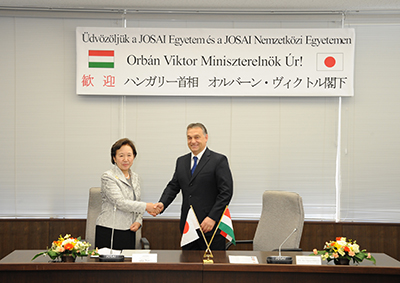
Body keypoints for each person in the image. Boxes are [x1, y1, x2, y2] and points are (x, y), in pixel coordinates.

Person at [155, 123, 233, 250]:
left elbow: (226, 192)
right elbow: (173, 186)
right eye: (189, 138)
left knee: (212, 267)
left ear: (206, 137)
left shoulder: (218, 160)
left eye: (197, 137)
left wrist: (212, 217)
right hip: (188, 228)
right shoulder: (181, 161)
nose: (193, 141)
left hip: (210, 227)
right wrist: (162, 204)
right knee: (188, 267)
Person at [95, 138, 158, 250]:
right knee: (108, 267)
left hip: (129, 229)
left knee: (127, 265)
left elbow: (137, 201)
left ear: (134, 157)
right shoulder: (107, 176)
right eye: (121, 155)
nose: (125, 159)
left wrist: (139, 221)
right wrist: (147, 206)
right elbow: (120, 203)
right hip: (110, 230)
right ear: (114, 158)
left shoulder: (135, 177)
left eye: (129, 155)